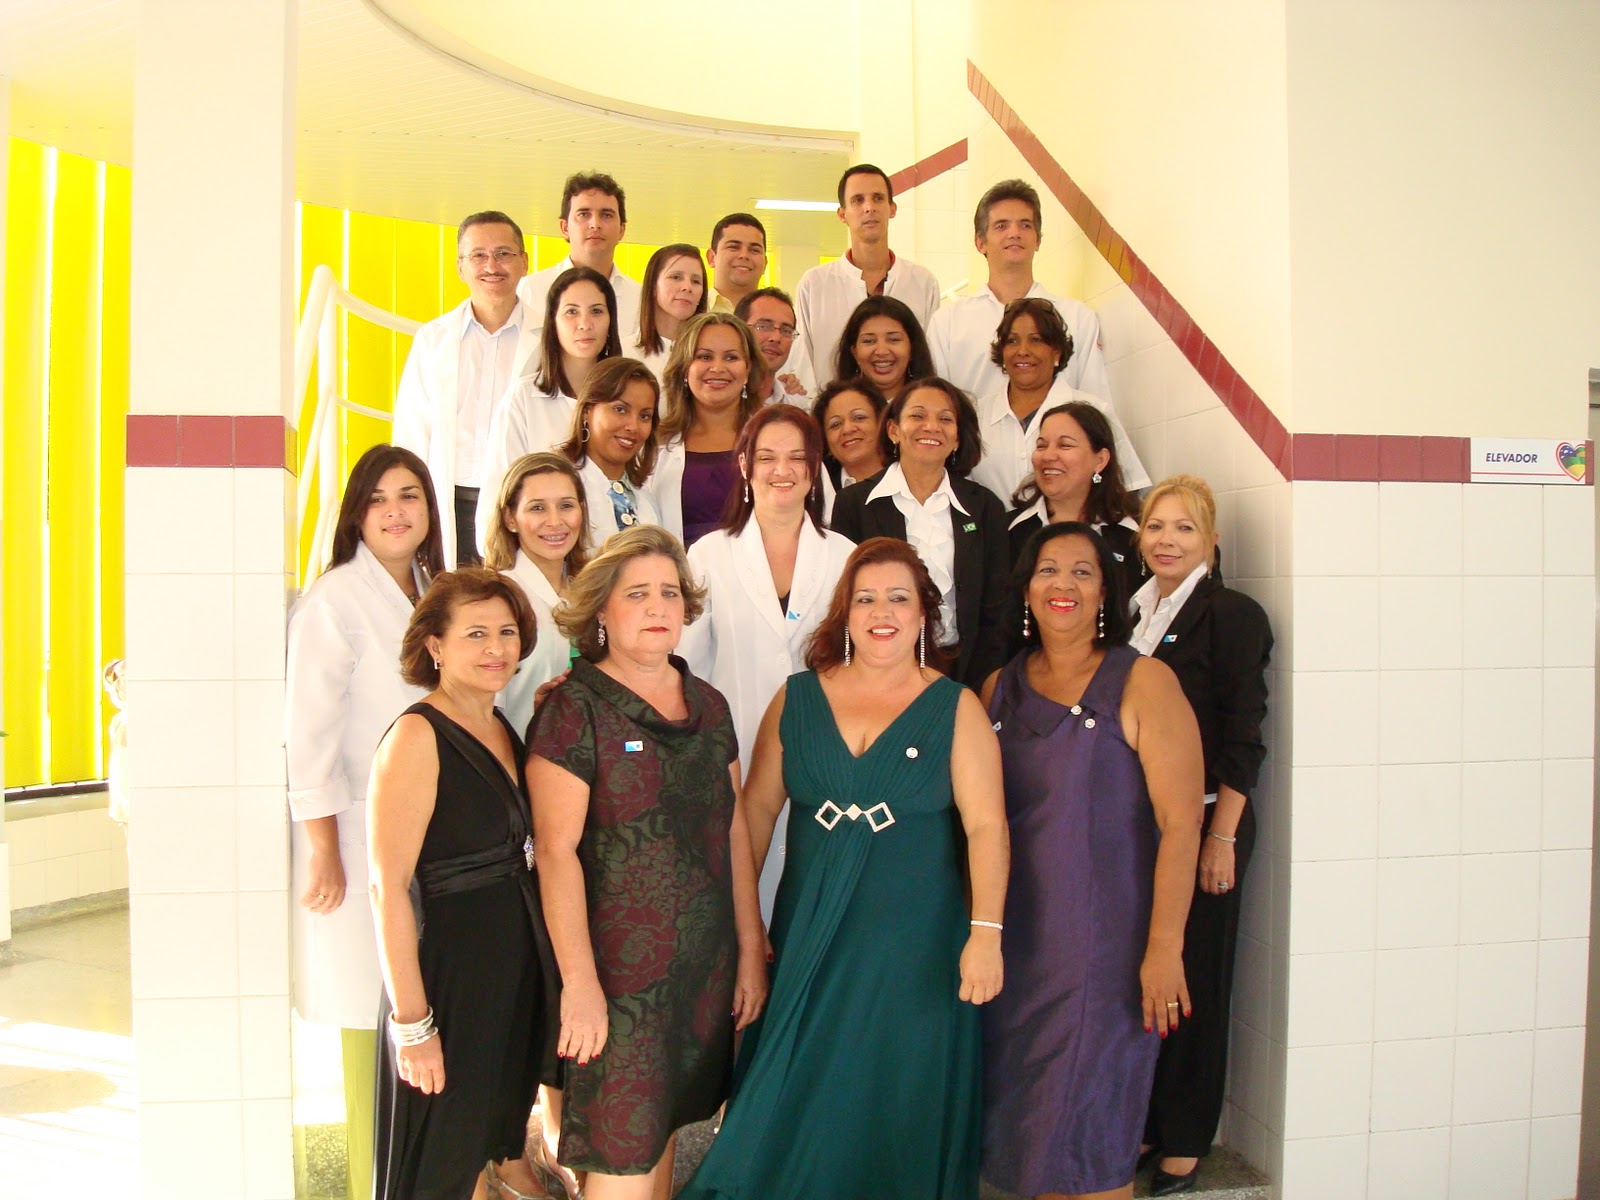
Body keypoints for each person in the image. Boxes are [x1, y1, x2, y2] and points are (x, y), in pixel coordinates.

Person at [679, 537, 1008, 1200]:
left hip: (915, 942)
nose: (881, 612)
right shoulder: (797, 698)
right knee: (792, 1081)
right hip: (811, 929)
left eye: (898, 598)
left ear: (923, 615)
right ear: (845, 613)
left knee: (895, 1087)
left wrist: (986, 934)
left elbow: (987, 828)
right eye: (866, 599)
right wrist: (744, 927)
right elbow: (755, 812)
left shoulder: (957, 707)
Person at [526, 525, 768, 1200]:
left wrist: (751, 950)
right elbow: (555, 853)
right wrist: (579, 984)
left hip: (700, 976)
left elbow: (733, 829)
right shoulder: (573, 708)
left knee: (660, 1157)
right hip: (615, 984)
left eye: (669, 592)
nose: (658, 606)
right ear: (601, 609)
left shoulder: (709, 704)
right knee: (622, 1169)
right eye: (637, 594)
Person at [980, 521, 1204, 1200]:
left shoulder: (1144, 681)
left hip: (1106, 955)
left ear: (1106, 591)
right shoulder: (996, 688)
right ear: (1026, 588)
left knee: (1089, 1145)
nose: (1064, 584)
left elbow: (1182, 825)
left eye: (1083, 571)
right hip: (1015, 952)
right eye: (1048, 569)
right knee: (1026, 1144)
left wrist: (1164, 948)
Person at [367, 568, 560, 1200]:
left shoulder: (501, 724)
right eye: (476, 633)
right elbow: (387, 887)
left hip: (507, 976)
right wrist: (414, 1024)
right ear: (435, 646)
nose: (496, 648)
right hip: (448, 983)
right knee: (437, 1164)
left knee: (481, 1143)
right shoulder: (417, 735)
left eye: (507, 632)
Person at [285, 444, 446, 1200]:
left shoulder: (437, 592)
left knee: (422, 1009)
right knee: (367, 1018)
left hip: (433, 834)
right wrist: (322, 847)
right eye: (378, 498)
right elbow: (309, 733)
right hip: (355, 837)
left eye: (409, 495)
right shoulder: (335, 601)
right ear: (356, 513)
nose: (395, 511)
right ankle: (367, 1183)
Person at [1131, 475, 1273, 1196]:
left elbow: (1245, 732)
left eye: (1184, 528)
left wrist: (1223, 837)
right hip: (1145, 824)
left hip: (1208, 822)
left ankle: (1186, 1137)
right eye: (1156, 526)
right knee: (1151, 974)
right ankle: (1152, 1117)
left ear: (1211, 542)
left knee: (1196, 979)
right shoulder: (1133, 611)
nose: (1167, 540)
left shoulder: (1232, 615)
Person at [679, 405, 855, 916]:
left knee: (810, 897)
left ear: (814, 468)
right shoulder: (708, 555)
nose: (783, 470)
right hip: (731, 751)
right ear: (745, 465)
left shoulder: (846, 556)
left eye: (797, 457)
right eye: (767, 457)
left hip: (825, 754)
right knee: (739, 891)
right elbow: (686, 668)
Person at [829, 377, 1010, 689]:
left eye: (945, 419)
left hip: (965, 672)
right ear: (893, 430)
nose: (931, 426)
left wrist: (984, 684)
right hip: (880, 670)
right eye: (917, 415)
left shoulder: (985, 507)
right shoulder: (854, 504)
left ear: (957, 438)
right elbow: (846, 601)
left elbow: (997, 609)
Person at [393, 210, 539, 566]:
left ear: (524, 262)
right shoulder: (432, 339)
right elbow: (413, 429)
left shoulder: (549, 336)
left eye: (504, 253)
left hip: (521, 498)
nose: (492, 265)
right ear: (460, 267)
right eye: (478, 255)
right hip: (449, 500)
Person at [928, 178, 1112, 403]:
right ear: (980, 242)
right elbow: (935, 404)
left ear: (1038, 240)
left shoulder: (1077, 318)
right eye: (1001, 226)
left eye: (1025, 225)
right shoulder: (947, 323)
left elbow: (1095, 405)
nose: (1014, 233)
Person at [476, 266, 622, 550]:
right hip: (542, 556)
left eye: (596, 311)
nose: (584, 323)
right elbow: (498, 496)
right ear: (552, 322)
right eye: (571, 312)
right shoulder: (524, 399)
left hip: (615, 557)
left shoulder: (627, 399)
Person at [970, 296, 1150, 502]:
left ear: (1056, 351)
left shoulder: (1095, 410)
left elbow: (1129, 489)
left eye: (1036, 340)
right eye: (1012, 341)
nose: (1023, 351)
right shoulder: (975, 416)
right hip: (994, 524)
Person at [792, 163, 941, 384]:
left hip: (905, 403)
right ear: (842, 214)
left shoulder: (922, 282)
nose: (869, 207)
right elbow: (802, 364)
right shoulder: (814, 284)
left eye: (878, 198)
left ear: (892, 209)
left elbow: (928, 361)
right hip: (833, 404)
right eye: (858, 200)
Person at [484, 452, 590, 735]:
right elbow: (483, 708)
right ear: (510, 518)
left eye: (566, 505)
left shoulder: (592, 589)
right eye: (538, 508)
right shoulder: (497, 596)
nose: (555, 521)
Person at [650, 312, 767, 547]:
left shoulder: (778, 438)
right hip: (680, 568)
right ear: (684, 368)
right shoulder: (654, 446)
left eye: (731, 357)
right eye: (704, 356)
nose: (717, 368)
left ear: (748, 369)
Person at [1006, 400, 1142, 598]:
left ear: (1100, 460)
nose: (1048, 456)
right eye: (1041, 446)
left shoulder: (1132, 535)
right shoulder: (1009, 530)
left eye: (1065, 445)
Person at [519, 172, 643, 342]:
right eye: (584, 214)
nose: (595, 224)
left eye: (606, 215)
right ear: (564, 228)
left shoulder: (641, 299)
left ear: (622, 229)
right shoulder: (531, 290)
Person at [557, 356, 664, 550]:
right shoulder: (559, 487)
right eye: (620, 409)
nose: (633, 426)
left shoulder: (645, 498)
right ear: (587, 410)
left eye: (644, 416)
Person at [831, 294, 936, 405]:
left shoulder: (935, 405)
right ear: (854, 352)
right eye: (869, 341)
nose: (881, 351)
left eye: (893, 339)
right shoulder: (836, 408)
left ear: (912, 348)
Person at [634, 243, 707, 380]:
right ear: (653, 286)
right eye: (676, 277)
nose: (687, 287)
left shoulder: (710, 356)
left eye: (696, 281)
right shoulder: (623, 352)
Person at [735, 287, 815, 404]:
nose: (776, 338)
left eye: (786, 330)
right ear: (738, 331)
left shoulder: (797, 408)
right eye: (763, 326)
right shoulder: (716, 402)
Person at [810, 378, 887, 491]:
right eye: (836, 424)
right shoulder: (816, 490)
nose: (847, 429)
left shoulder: (909, 476)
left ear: (883, 423)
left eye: (859, 417)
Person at [706, 213, 767, 313]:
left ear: (765, 263)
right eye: (733, 247)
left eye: (754, 250)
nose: (744, 255)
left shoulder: (778, 316)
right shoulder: (692, 312)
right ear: (711, 258)